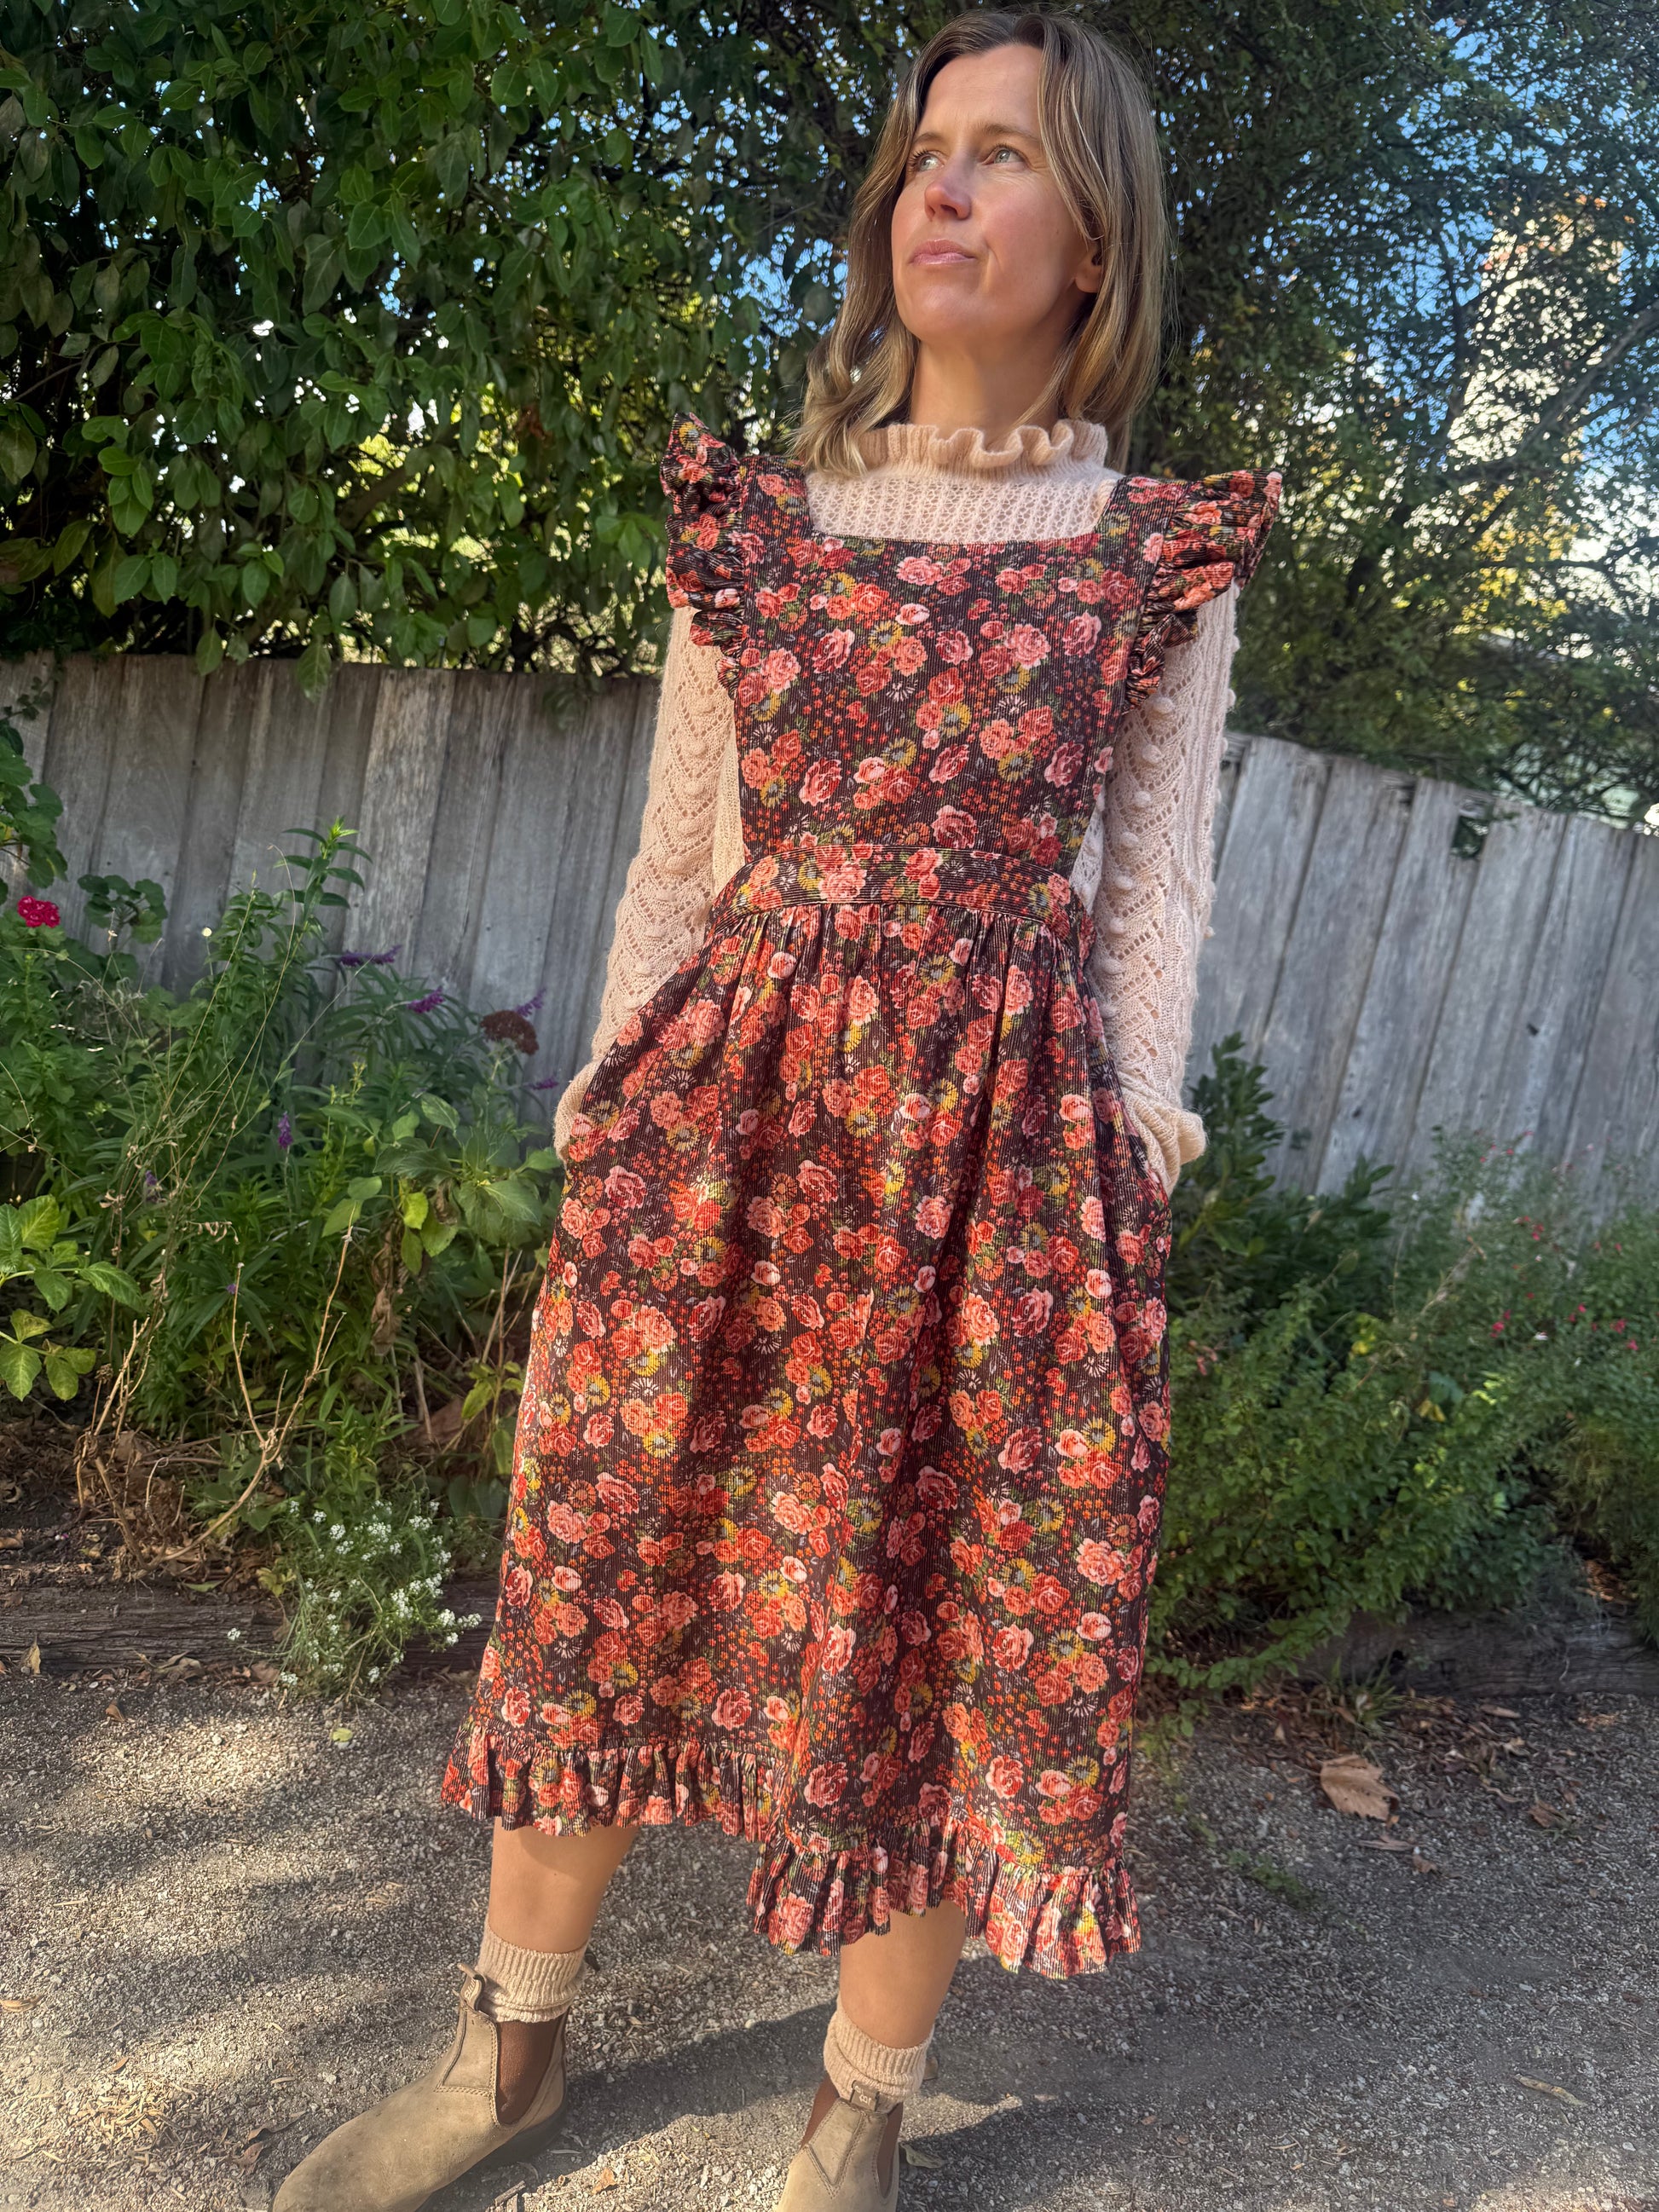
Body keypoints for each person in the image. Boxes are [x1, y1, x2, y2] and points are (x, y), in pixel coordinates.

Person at [275, 10, 1278, 2209]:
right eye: (927, 150)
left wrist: (1135, 1143)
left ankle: (860, 2110)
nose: (943, 189)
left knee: (942, 1609)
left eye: (1005, 155)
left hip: (999, 1161)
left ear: (1098, 241)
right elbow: (677, 853)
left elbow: (1154, 898)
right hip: (729, 1121)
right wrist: (609, 1100)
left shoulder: (1156, 557)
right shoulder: (757, 529)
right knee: (606, 1555)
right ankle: (507, 2057)